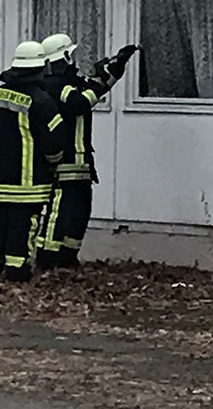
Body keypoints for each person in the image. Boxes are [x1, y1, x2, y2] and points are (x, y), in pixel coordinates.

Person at [35, 34, 137, 269]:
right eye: (72, 54)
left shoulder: (70, 82)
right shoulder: (54, 84)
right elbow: (80, 103)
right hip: (64, 160)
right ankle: (47, 258)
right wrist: (95, 83)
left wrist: (115, 68)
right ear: (65, 56)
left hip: (80, 161)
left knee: (79, 210)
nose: (75, 60)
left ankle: (68, 256)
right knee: (58, 211)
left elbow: (95, 89)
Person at [0, 41, 66, 282]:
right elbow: (54, 142)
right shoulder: (41, 100)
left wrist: (0, 155)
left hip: (1, 178)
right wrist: (53, 163)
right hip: (30, 181)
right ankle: (17, 271)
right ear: (40, 67)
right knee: (23, 226)